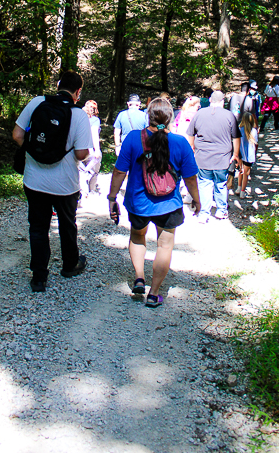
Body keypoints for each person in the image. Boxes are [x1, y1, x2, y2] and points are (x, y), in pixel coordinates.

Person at [108, 98, 201, 308]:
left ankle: (139, 278)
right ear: (170, 118)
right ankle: (154, 292)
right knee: (164, 245)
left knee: (137, 236)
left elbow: (119, 171)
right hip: (168, 205)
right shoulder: (180, 143)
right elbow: (191, 178)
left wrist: (112, 197)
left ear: (147, 116)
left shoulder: (133, 138)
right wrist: (196, 199)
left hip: (138, 203)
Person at [12, 70, 92, 291]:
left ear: (58, 85)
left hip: (34, 180)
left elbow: (17, 135)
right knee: (67, 224)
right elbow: (81, 153)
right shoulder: (79, 114)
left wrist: (36, 153)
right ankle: (70, 265)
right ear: (78, 92)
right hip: (64, 184)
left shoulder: (37, 102)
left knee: (38, 227)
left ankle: (39, 277)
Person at [187, 90, 241, 222]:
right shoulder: (229, 116)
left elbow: (190, 134)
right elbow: (236, 137)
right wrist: (235, 154)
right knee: (221, 183)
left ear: (210, 100)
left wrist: (192, 148)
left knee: (204, 184)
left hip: (203, 157)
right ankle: (221, 211)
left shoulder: (199, 114)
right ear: (223, 102)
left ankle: (204, 213)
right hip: (222, 157)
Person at [79, 99, 102, 199]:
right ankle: (91, 190)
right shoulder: (95, 120)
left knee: (80, 170)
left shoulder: (78, 118)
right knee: (93, 170)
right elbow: (94, 135)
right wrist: (97, 150)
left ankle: (82, 191)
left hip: (78, 148)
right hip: (89, 149)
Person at [237, 112, 259, 199]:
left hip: (241, 153)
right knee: (246, 173)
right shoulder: (254, 130)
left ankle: (238, 188)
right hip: (249, 155)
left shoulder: (239, 128)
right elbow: (256, 142)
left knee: (240, 171)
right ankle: (243, 192)